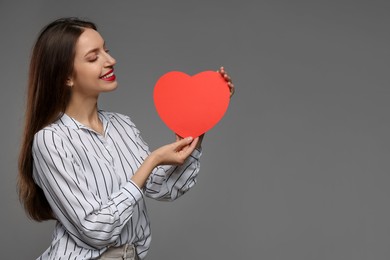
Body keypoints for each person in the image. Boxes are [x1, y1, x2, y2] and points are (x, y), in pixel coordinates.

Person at [18, 17, 234, 260]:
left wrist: (202, 117)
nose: (111, 61)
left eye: (106, 51)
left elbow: (165, 187)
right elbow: (95, 231)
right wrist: (151, 161)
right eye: (93, 57)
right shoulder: (51, 141)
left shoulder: (123, 124)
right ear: (66, 77)